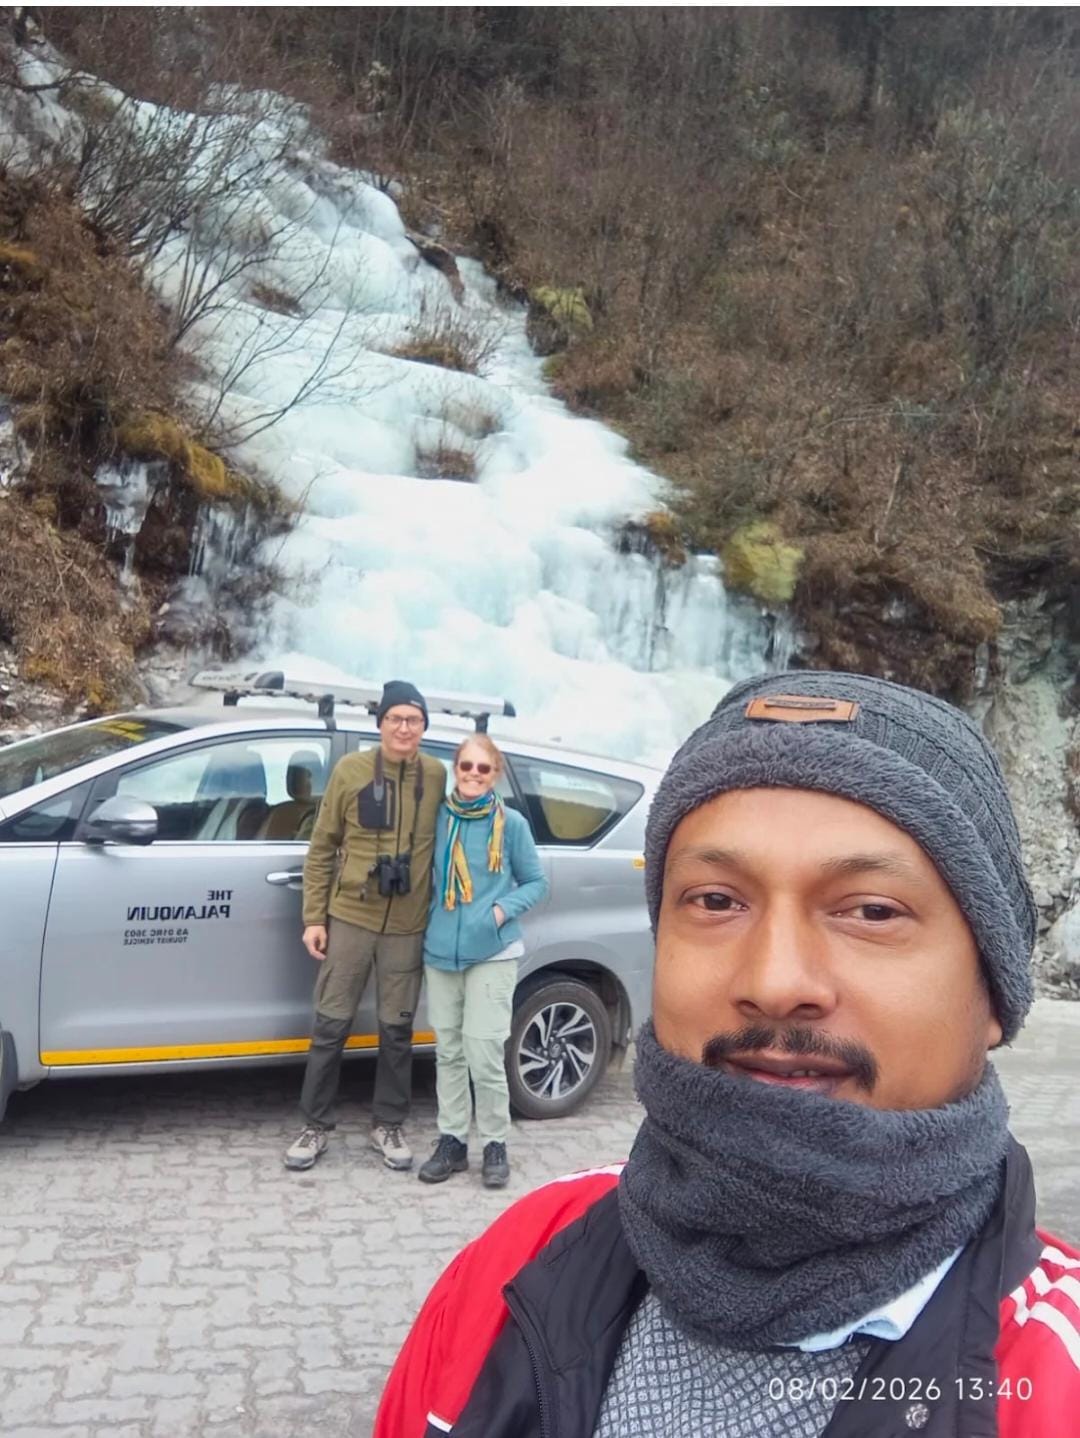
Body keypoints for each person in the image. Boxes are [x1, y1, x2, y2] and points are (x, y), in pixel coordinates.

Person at [376, 671, 1080, 1437]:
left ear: (995, 993)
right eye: (716, 901)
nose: (775, 983)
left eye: (872, 911)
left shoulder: (1056, 1375)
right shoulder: (519, 1258)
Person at [284, 680, 445, 1174]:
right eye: (395, 718)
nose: (404, 727)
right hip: (351, 917)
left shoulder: (437, 775)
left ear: (423, 727)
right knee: (330, 1024)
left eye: (413, 720)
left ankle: (388, 1124)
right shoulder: (351, 771)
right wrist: (315, 916)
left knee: (397, 1029)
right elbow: (322, 845)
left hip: (408, 923)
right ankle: (315, 1126)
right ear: (380, 723)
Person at [417, 734, 548, 1190]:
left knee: (484, 1051)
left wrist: (498, 912)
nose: (473, 775)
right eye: (466, 767)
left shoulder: (510, 825)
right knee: (449, 1051)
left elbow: (535, 882)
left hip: (492, 952)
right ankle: (452, 1141)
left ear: (495, 775)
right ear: (455, 769)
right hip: (440, 952)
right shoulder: (436, 818)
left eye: (483, 769)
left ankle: (495, 1143)